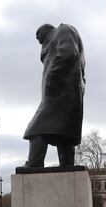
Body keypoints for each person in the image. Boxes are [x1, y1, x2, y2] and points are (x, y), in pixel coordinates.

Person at [23, 23, 86, 167]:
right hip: (68, 91)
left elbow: (68, 53)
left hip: (60, 89)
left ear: (46, 30)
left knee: (36, 129)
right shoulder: (58, 38)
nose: (36, 38)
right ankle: (67, 164)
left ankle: (35, 162)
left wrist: (52, 76)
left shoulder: (62, 30)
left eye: (38, 33)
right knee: (64, 131)